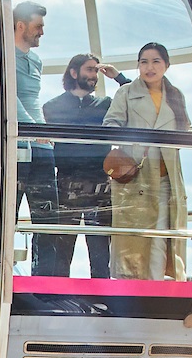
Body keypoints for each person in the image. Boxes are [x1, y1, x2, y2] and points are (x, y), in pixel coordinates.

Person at [100, 41, 191, 280]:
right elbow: (110, 125)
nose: (149, 67)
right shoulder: (126, 92)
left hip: (167, 178)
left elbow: (185, 130)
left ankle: (157, 286)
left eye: (155, 61)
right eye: (144, 62)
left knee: (162, 235)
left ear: (166, 65)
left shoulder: (175, 96)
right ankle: (130, 291)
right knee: (133, 240)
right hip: (136, 178)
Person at [37, 51, 127, 277]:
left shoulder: (106, 104)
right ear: (73, 72)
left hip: (100, 182)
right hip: (66, 181)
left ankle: (102, 301)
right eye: (90, 69)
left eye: (97, 70)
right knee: (62, 250)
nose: (95, 75)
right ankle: (60, 301)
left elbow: (136, 96)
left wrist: (118, 77)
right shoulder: (52, 107)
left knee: (100, 253)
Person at [9, 0, 58, 276]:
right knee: (9, 216)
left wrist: (44, 133)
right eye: (38, 26)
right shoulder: (3, 56)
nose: (42, 31)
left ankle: (45, 280)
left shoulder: (36, 60)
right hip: (17, 147)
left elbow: (33, 101)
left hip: (40, 148)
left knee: (48, 217)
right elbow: (10, 96)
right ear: (20, 26)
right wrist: (33, 131)